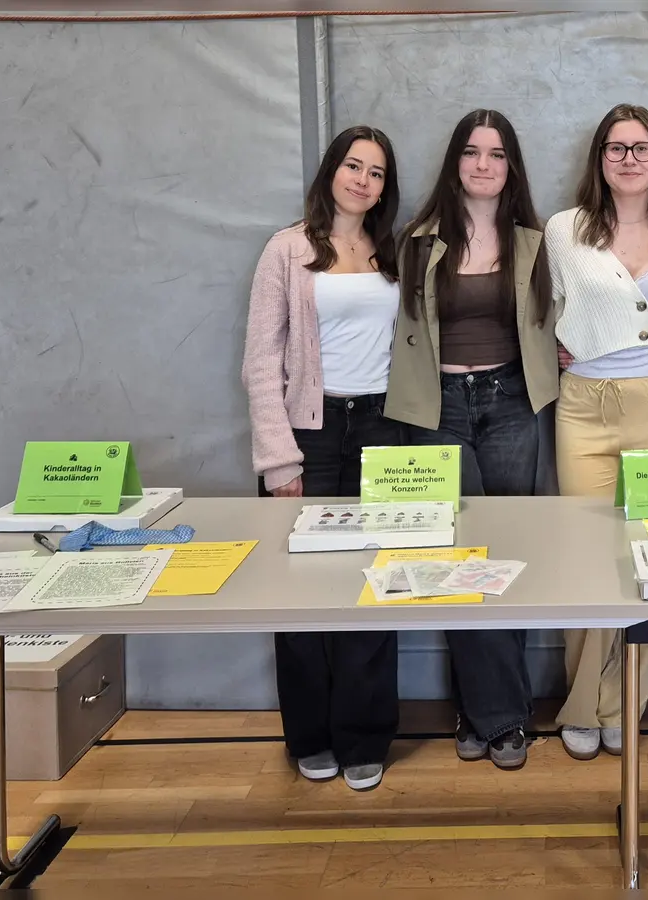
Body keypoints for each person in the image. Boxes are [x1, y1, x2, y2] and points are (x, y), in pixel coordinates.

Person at [385, 109, 557, 771]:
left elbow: (566, 316)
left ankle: (483, 711)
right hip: (438, 408)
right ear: (454, 161)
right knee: (459, 555)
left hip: (512, 401)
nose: (483, 165)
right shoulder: (416, 241)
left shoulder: (535, 242)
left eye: (497, 153)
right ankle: (502, 716)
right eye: (472, 152)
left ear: (512, 167)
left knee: (506, 551)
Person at [242, 125, 405, 792]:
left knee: (375, 582)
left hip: (380, 427)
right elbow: (260, 363)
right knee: (302, 590)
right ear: (331, 171)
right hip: (308, 431)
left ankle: (365, 735)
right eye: (353, 166)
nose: (362, 180)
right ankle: (309, 735)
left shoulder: (392, 251)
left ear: (385, 189)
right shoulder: (287, 249)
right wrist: (279, 461)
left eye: (376, 172)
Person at [545, 103, 648, 760]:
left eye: (642, 148)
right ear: (599, 157)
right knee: (585, 552)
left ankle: (625, 701)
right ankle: (583, 703)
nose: (629, 159)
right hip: (583, 407)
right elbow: (548, 307)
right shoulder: (564, 228)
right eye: (616, 147)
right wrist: (568, 344)